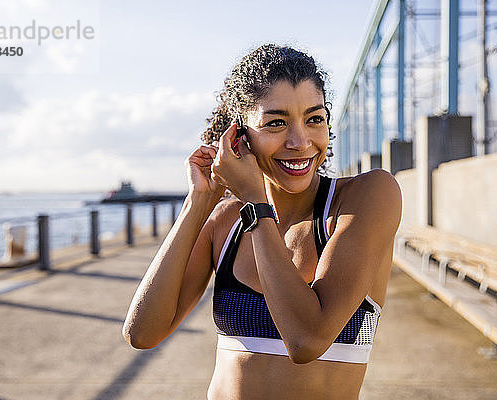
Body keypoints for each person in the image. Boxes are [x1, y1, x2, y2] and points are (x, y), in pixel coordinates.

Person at [123, 44, 402, 399]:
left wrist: (256, 204)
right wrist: (199, 201)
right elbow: (142, 332)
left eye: (314, 119)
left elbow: (306, 340)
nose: (300, 142)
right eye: (276, 123)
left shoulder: (365, 198)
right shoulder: (225, 221)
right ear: (239, 136)